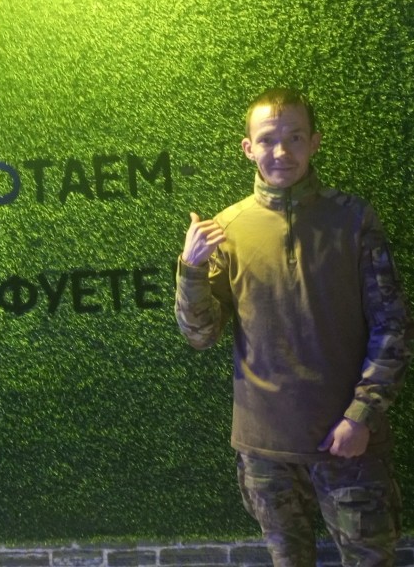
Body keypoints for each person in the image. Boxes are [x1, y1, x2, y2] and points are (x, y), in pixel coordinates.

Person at [174, 87, 412, 566]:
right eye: (267, 140)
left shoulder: (353, 219)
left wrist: (361, 414)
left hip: (349, 442)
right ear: (248, 148)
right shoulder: (227, 228)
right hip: (266, 452)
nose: (281, 151)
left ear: (314, 142)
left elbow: (393, 325)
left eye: (295, 138)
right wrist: (191, 269)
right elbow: (200, 335)